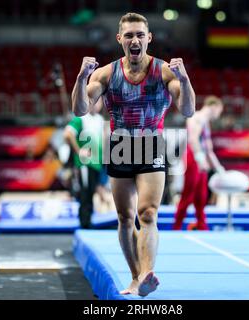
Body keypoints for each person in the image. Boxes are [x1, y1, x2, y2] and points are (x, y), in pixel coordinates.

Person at [71, 12, 195, 297]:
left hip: (151, 143)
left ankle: (147, 274)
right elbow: (79, 109)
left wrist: (185, 80)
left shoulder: (163, 71)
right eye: (129, 35)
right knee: (125, 217)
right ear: (120, 40)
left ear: (148, 38)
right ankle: (135, 277)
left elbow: (188, 110)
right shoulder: (106, 73)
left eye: (140, 34)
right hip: (121, 146)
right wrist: (80, 78)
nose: (135, 39)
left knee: (148, 213)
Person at [173, 96, 224, 231]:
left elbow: (209, 150)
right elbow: (193, 139)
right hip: (194, 157)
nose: (218, 115)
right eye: (219, 111)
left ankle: (202, 227)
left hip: (201, 160)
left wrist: (219, 168)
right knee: (187, 195)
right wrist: (200, 158)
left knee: (201, 197)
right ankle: (176, 227)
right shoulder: (195, 117)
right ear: (214, 107)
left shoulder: (206, 123)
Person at [64, 98, 104, 229]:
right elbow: (67, 134)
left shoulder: (99, 120)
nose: (96, 104)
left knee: (92, 192)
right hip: (85, 164)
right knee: (85, 193)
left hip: (97, 163)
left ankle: (88, 221)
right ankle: (84, 223)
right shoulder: (81, 118)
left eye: (99, 101)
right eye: (93, 101)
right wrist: (78, 150)